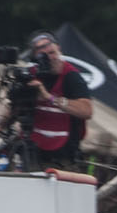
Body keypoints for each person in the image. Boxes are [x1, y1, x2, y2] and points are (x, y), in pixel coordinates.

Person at [14, 30, 92, 168]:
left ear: (59, 49)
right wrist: (0, 126)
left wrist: (50, 98)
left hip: (63, 157)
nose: (51, 58)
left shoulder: (71, 76)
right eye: (43, 56)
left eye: (52, 53)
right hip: (33, 151)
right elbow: (15, 106)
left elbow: (87, 111)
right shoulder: (32, 74)